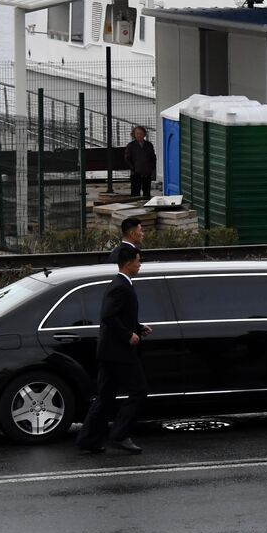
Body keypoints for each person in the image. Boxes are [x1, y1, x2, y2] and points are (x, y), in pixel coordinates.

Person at [76, 244, 151, 455]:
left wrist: (138, 328)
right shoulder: (121, 286)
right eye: (138, 261)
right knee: (139, 390)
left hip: (109, 351)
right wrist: (128, 335)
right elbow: (109, 316)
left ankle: (88, 439)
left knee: (105, 397)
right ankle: (119, 434)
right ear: (128, 263)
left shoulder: (120, 284)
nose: (140, 265)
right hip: (119, 353)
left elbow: (120, 316)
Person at [124, 125, 157, 199]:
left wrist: (151, 168)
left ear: (144, 134)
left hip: (147, 172)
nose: (139, 135)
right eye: (137, 133)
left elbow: (153, 158)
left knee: (147, 193)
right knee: (135, 193)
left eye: (141, 133)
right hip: (136, 173)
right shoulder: (131, 145)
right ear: (134, 134)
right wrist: (133, 168)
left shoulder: (149, 145)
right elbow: (127, 159)